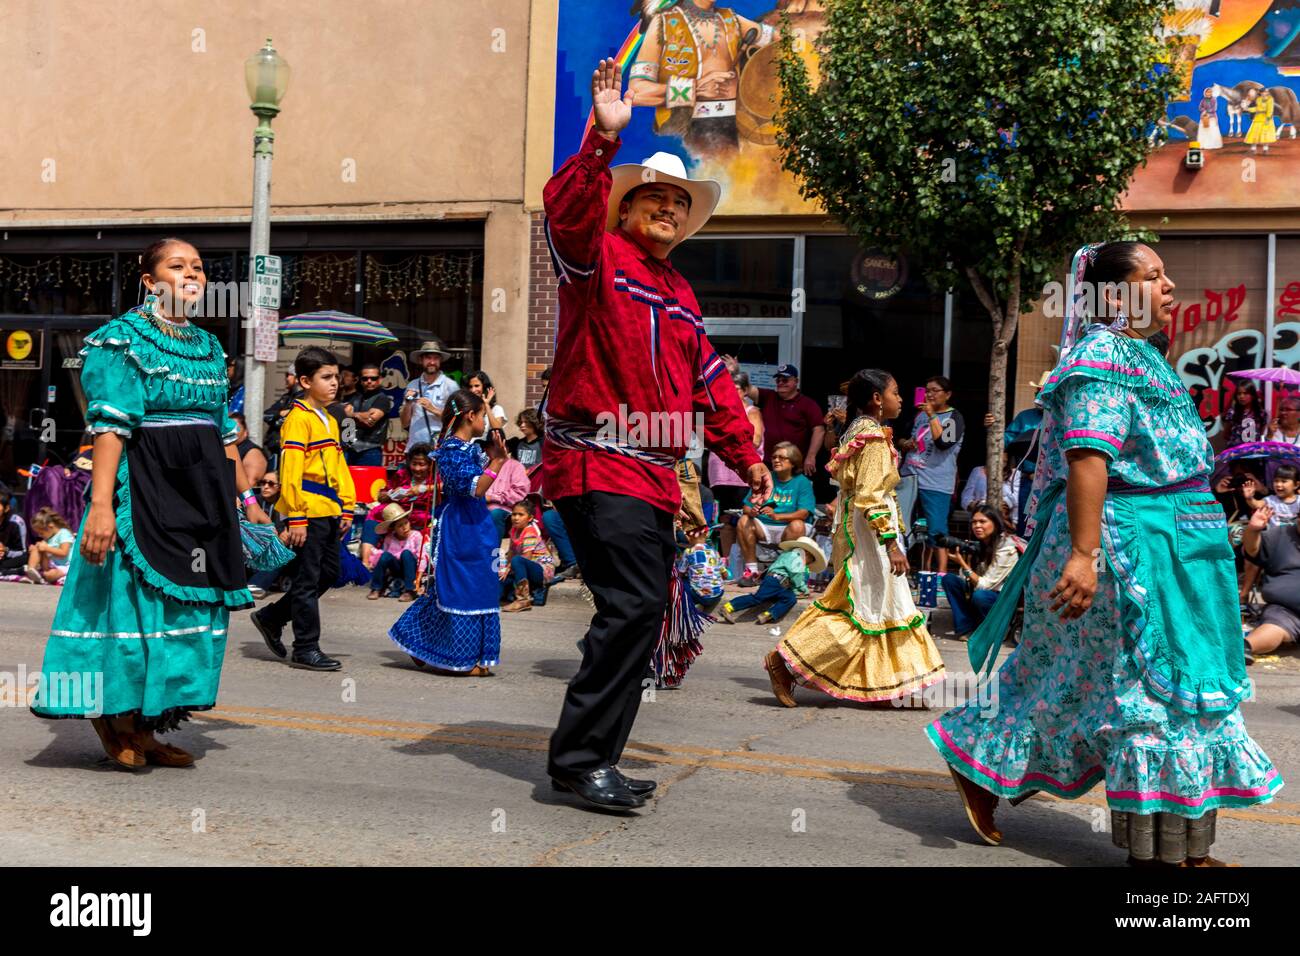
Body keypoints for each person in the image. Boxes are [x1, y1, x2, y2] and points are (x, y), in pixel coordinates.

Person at [927, 241, 1280, 865]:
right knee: (1148, 694)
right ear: (1114, 295)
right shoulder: (1102, 358)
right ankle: (1169, 858)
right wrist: (1084, 555)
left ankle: (988, 770)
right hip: (1127, 547)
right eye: (1154, 276)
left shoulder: (1145, 356)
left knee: (1080, 682)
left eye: (1167, 273)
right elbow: (1090, 457)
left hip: (1179, 544)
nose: (1170, 285)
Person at [540, 59, 771, 811]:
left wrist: (746, 456)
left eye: (679, 201)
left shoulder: (679, 291)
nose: (669, 209)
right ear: (627, 207)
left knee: (636, 613)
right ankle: (578, 761)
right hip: (595, 458)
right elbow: (566, 216)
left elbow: (710, 385)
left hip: (652, 473)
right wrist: (603, 142)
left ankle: (591, 756)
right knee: (634, 607)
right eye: (655, 198)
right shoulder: (596, 258)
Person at [30, 237, 265, 770]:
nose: (191, 275)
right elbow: (111, 429)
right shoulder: (121, 340)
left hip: (201, 497)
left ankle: (149, 722)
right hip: (143, 493)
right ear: (149, 279)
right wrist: (101, 507)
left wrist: (245, 500)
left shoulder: (207, 347)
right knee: (131, 608)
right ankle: (114, 717)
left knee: (189, 607)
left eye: (199, 268)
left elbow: (223, 433)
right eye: (177, 266)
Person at [764, 369, 945, 708]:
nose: (902, 399)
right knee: (864, 607)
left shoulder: (860, 431)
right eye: (896, 392)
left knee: (874, 605)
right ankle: (784, 661)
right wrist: (891, 543)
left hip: (858, 530)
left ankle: (883, 684)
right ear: (877, 399)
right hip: (869, 536)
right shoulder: (873, 437)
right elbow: (871, 495)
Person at [250, 347, 357, 672]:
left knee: (330, 573)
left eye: (336, 377)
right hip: (306, 509)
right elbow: (291, 470)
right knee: (309, 579)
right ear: (305, 381)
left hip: (328, 508)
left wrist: (348, 506)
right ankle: (305, 648)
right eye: (326, 377)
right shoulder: (297, 419)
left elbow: (338, 464)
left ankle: (271, 616)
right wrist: (295, 516)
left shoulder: (328, 417)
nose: (334, 383)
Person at [390, 389, 508, 675]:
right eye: (481, 415)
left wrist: (494, 451)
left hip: (479, 522)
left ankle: (425, 644)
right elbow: (475, 488)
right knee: (459, 587)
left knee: (482, 585)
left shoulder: (470, 449)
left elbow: (491, 456)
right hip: (460, 526)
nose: (484, 420)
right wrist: (497, 462)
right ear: (470, 416)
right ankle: (456, 656)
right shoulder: (451, 451)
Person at [626, 0, 774, 160]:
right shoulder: (663, 23)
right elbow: (636, 92)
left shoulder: (731, 20)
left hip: (734, 136)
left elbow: (780, 40)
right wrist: (694, 89)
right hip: (684, 141)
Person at [900, 375, 965, 573]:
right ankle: (905, 571)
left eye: (935, 390)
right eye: (927, 390)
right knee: (902, 526)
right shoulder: (919, 415)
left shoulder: (954, 418)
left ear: (948, 394)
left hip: (935, 483)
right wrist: (905, 444)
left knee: (936, 530)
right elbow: (902, 437)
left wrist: (931, 416)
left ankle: (941, 576)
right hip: (909, 477)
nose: (929, 394)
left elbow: (943, 443)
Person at [735, 441, 815, 585]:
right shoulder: (766, 478)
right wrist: (752, 512)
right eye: (774, 457)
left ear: (793, 462)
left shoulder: (802, 482)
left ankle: (780, 571)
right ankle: (751, 571)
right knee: (744, 520)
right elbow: (746, 507)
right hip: (764, 527)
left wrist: (777, 516)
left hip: (788, 528)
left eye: (782, 457)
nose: (776, 460)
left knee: (797, 525)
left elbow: (803, 513)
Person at [707, 369, 764, 561]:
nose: (732, 391)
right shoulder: (720, 410)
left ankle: (744, 562)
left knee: (744, 517)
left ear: (746, 391)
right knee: (724, 519)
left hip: (743, 474)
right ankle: (727, 562)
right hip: (720, 474)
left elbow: (754, 440)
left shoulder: (752, 411)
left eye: (737, 388)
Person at [731, 361, 824, 477]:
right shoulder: (769, 397)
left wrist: (811, 456)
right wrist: (736, 372)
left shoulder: (808, 404)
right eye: (778, 380)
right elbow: (747, 389)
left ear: (796, 381)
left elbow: (819, 430)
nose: (780, 383)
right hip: (768, 464)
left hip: (794, 466)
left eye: (785, 380)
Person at [940, 505, 1019, 639]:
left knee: (981, 595)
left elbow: (985, 585)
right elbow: (968, 581)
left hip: (1002, 599)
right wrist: (967, 562)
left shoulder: (1007, 547)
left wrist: (964, 565)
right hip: (982, 595)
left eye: (982, 522)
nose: (977, 526)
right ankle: (966, 628)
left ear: (995, 523)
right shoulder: (981, 544)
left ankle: (997, 629)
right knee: (949, 580)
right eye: (974, 522)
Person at [1242, 502, 1300, 664]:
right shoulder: (1280, 535)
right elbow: (1252, 550)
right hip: (1286, 611)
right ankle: (1244, 647)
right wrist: (1253, 530)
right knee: (1274, 627)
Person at [720, 535, 824, 625]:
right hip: (776, 581)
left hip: (778, 583)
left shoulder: (787, 555)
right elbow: (796, 575)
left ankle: (768, 615)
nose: (808, 562)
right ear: (806, 553)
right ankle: (729, 607)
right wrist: (803, 589)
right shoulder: (797, 557)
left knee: (790, 598)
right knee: (758, 598)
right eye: (810, 559)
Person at [499, 500, 555, 612]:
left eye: (521, 515)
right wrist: (504, 569)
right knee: (500, 576)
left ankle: (523, 600)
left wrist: (510, 567)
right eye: (514, 514)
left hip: (541, 570)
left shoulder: (530, 531)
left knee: (517, 560)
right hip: (523, 566)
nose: (516, 518)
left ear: (530, 518)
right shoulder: (514, 530)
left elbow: (526, 557)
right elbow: (511, 551)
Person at [401, 340, 458, 449]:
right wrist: (408, 404)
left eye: (435, 358)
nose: (432, 362)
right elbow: (404, 424)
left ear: (440, 361)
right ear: (420, 360)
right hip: (415, 449)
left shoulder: (450, 386)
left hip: (441, 449)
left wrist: (433, 409)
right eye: (428, 358)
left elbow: (458, 418)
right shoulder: (412, 385)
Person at [341, 363, 392, 466]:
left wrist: (352, 415)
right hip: (349, 449)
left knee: (368, 482)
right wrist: (359, 416)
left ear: (380, 379)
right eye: (365, 379)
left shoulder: (382, 399)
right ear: (360, 380)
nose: (369, 381)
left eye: (373, 378)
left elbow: (369, 421)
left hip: (370, 450)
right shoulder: (355, 398)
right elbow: (344, 419)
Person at [366, 503, 419, 602]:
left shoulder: (416, 535)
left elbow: (421, 556)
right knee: (384, 555)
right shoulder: (389, 538)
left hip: (411, 567)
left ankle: (410, 590)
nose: (404, 527)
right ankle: (376, 588)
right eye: (400, 526)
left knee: (406, 553)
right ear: (393, 528)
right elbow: (385, 557)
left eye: (406, 523)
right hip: (396, 568)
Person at [23, 508, 75, 585]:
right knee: (36, 548)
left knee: (50, 575)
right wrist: (36, 548)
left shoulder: (64, 533)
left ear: (51, 526)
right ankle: (31, 571)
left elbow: (64, 553)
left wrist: (47, 548)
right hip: (51, 564)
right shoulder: (49, 537)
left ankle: (41, 577)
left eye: (41, 533)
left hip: (65, 565)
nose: (40, 535)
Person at [485, 456, 531, 540]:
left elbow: (519, 492)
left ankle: (493, 551)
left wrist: (492, 497)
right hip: (481, 508)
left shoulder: (515, 466)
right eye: (485, 446)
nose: (486, 449)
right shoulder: (483, 465)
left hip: (506, 510)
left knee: (495, 514)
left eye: (490, 446)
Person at [467, 370, 508, 447]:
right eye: (470, 387)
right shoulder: (468, 409)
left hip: (488, 453)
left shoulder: (496, 409)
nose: (473, 390)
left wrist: (486, 405)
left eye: (476, 386)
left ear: (485, 387)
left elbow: (497, 430)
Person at [1222, 381, 1267, 446]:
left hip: (1254, 452)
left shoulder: (1261, 413)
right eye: (1239, 394)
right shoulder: (1232, 412)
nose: (1241, 396)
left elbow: (1262, 434)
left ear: (1253, 395)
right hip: (1235, 452)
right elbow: (1226, 434)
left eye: (1245, 393)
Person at [231, 412, 268, 486]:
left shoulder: (252, 452)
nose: (231, 431)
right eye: (227, 428)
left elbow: (250, 484)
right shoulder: (227, 448)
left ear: (245, 432)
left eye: (236, 428)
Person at [0, 483, 29, 574]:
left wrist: (6, 551)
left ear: (6, 508)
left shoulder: (16, 522)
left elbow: (23, 551)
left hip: (11, 556)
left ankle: (7, 571)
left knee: (27, 557)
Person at [1242, 87, 1277, 154]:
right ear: (1260, 93)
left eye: (1266, 92)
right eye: (1263, 92)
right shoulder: (1258, 99)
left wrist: (1268, 119)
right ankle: (1253, 149)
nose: (1265, 93)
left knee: (1266, 135)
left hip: (1266, 119)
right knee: (1254, 134)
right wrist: (1247, 109)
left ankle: (1265, 150)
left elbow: (1270, 110)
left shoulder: (1270, 99)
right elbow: (1257, 108)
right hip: (1258, 118)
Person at [513, 408, 544, 472]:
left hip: (537, 480)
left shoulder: (544, 442)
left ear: (534, 422)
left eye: (526, 422)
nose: (522, 425)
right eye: (521, 422)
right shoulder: (517, 443)